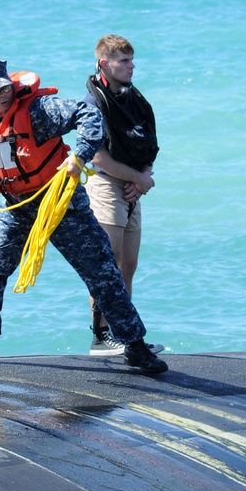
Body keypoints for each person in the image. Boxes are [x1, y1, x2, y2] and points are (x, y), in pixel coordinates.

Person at [0, 59, 167, 374]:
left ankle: (134, 346)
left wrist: (80, 156)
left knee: (102, 270)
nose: (3, 95)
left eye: (6, 88)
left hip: (60, 203)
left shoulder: (39, 112)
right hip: (16, 207)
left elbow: (87, 114)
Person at [83, 35, 163, 356]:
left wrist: (142, 176)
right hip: (105, 185)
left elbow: (149, 141)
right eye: (124, 61)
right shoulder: (92, 104)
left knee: (128, 264)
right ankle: (100, 336)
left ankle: (127, 336)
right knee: (107, 265)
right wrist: (138, 178)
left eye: (132, 60)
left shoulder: (134, 99)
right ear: (104, 64)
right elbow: (97, 156)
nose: (132, 66)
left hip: (133, 186)